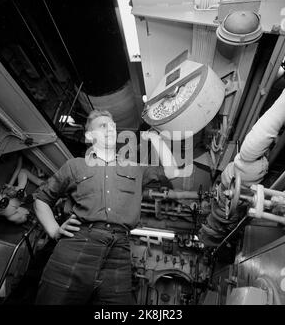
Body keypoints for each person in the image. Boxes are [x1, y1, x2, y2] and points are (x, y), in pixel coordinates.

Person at [33, 109, 179, 305]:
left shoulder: (134, 167)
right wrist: (53, 230)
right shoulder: (75, 165)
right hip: (79, 243)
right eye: (103, 126)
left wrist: (154, 137)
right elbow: (41, 199)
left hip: (120, 250)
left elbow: (172, 171)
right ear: (89, 135)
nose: (110, 128)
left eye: (112, 126)